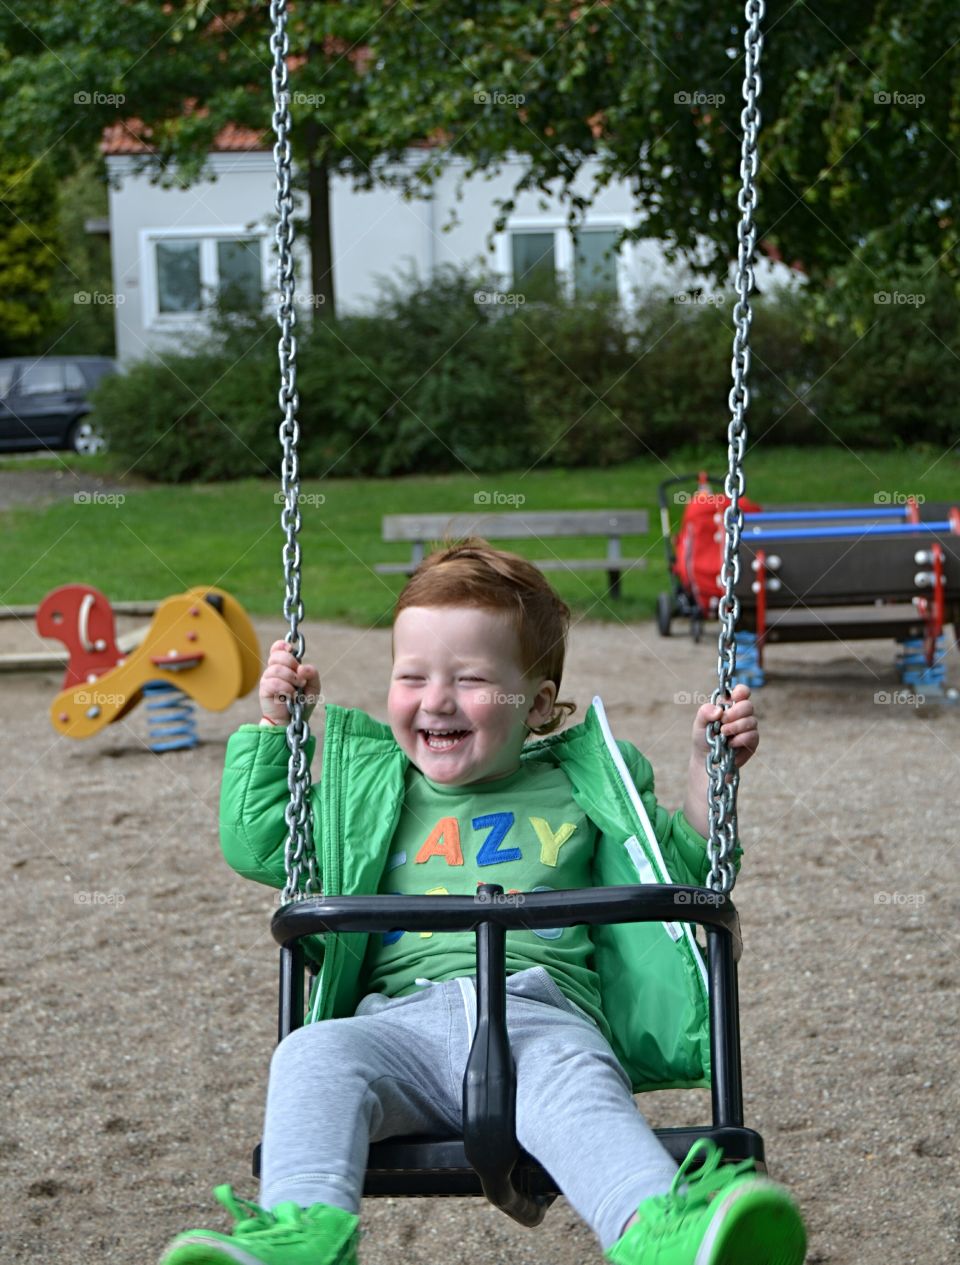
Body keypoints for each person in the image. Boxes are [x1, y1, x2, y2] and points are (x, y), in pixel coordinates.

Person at [160, 538, 805, 1265]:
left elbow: (680, 874)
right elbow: (256, 842)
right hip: (397, 1023)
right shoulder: (370, 791)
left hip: (543, 1015)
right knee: (313, 1053)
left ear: (534, 706)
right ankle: (301, 1234)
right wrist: (278, 729)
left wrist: (705, 769)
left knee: (583, 1093)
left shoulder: (585, 783)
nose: (435, 699)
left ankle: (662, 1232)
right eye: (412, 676)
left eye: (469, 679)